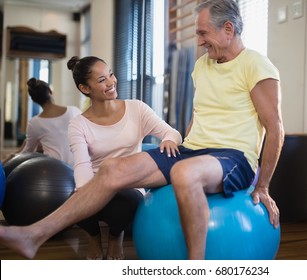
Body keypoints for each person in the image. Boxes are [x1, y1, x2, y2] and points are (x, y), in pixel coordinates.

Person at [0, 0, 284, 260]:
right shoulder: (202, 66)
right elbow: (199, 115)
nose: (198, 42)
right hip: (193, 150)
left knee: (184, 173)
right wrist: (183, 143)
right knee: (111, 169)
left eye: (202, 34)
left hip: (233, 157)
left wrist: (263, 186)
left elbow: (275, 128)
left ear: (228, 29)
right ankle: (33, 234)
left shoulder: (256, 65)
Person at [67, 56, 182, 260]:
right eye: (102, 80)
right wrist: (85, 197)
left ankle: (115, 236)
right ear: (86, 89)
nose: (111, 81)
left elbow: (172, 133)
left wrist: (170, 140)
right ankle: (93, 237)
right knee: (73, 201)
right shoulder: (79, 124)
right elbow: (82, 166)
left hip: (127, 189)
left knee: (124, 203)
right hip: (97, 186)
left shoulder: (136, 109)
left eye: (110, 74)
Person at [2, 78, 81, 166]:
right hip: (79, 165)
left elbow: (27, 151)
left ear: (33, 100)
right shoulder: (74, 111)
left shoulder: (34, 123)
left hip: (55, 169)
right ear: (50, 91)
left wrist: (11, 156)